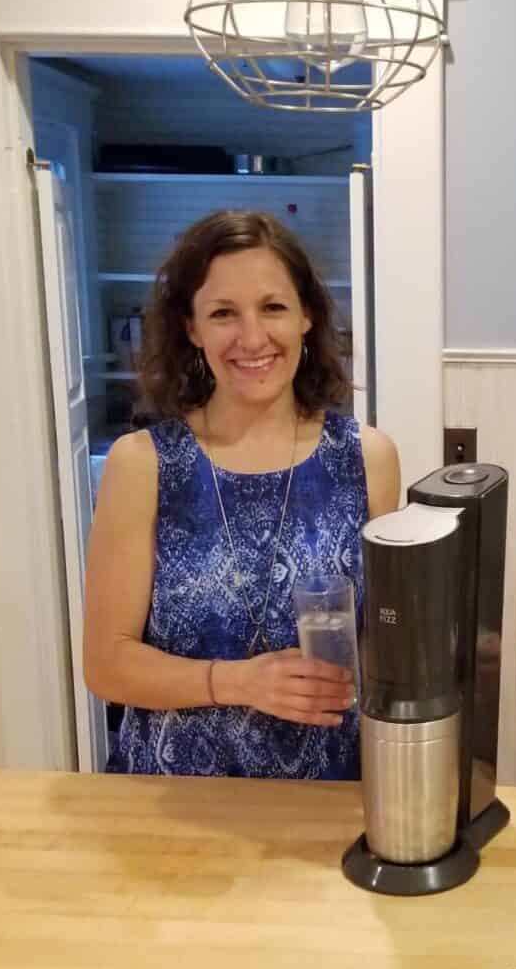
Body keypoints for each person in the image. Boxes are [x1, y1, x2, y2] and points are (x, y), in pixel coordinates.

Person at [84, 210, 400, 778]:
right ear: (191, 327)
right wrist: (238, 682)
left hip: (326, 792)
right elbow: (107, 665)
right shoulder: (143, 464)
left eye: (273, 307)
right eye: (224, 313)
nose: (252, 338)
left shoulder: (367, 458)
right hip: (174, 803)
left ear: (307, 315)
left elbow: (382, 638)